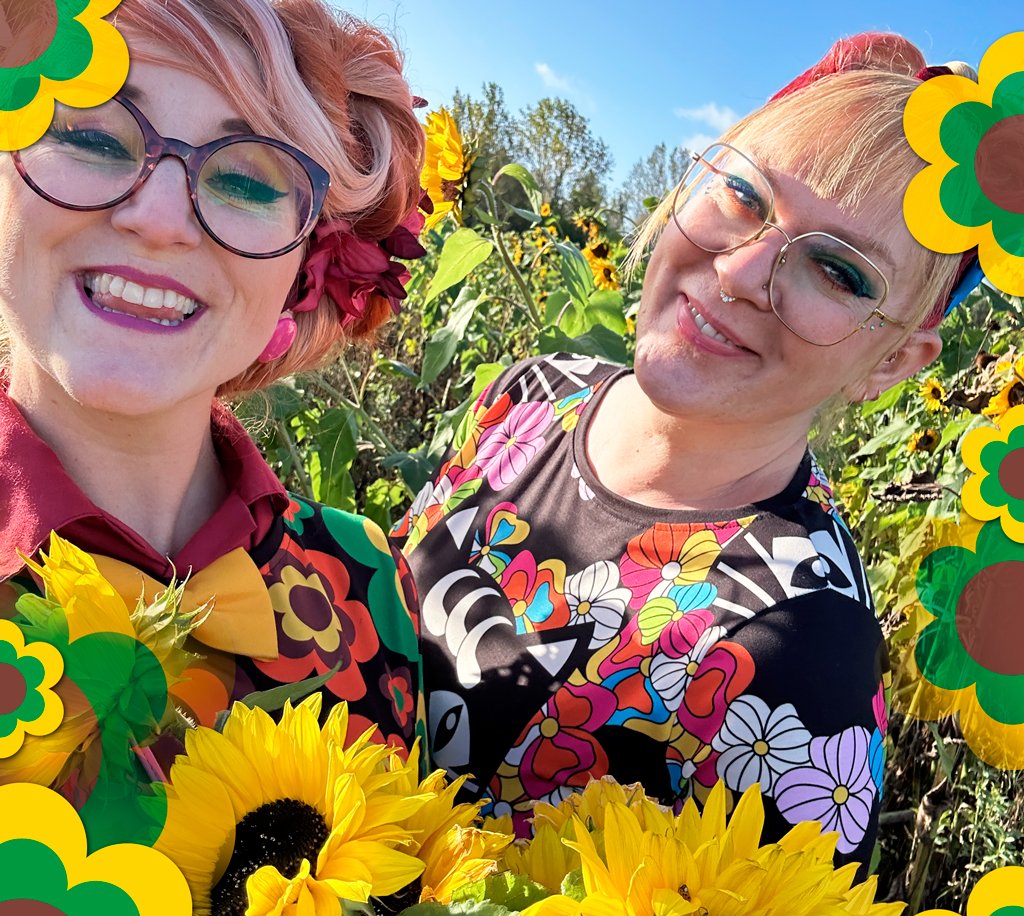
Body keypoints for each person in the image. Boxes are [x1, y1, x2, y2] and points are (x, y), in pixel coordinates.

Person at [393, 33, 980, 866]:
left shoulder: (797, 652)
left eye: (839, 273)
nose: (743, 272)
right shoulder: (534, 392)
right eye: (745, 195)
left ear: (891, 360)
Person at [0, 0, 425, 759]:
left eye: (249, 181)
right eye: (92, 135)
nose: (161, 218)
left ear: (303, 262)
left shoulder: (370, 586)